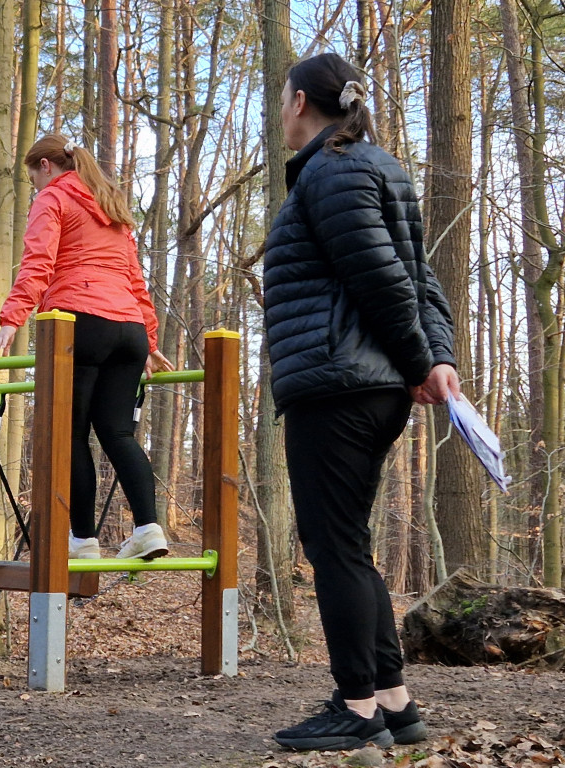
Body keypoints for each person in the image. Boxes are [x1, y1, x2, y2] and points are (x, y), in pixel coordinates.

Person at [263, 53, 459, 751]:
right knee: (350, 544)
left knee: (332, 547)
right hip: (363, 383)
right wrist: (434, 357)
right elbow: (418, 277)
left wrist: (425, 363)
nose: (280, 109)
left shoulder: (333, 170)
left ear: (300, 103)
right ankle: (395, 703)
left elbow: (384, 278)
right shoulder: (371, 166)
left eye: (282, 97)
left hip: (339, 383)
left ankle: (356, 705)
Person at [0, 134, 174, 561]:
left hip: (80, 324)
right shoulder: (111, 207)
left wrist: (11, 320)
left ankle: (83, 541)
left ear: (46, 167)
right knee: (118, 432)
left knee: (70, 435)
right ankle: (148, 528)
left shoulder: (52, 199)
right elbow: (135, 282)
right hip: (128, 328)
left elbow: (38, 263)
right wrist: (149, 340)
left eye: (33, 177)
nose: (35, 185)